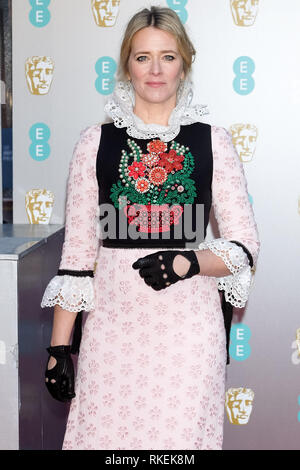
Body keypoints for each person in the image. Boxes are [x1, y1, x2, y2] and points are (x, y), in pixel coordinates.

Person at [41, 6, 260, 450]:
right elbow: (78, 257)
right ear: (126, 66)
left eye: (167, 56)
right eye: (143, 57)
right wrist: (59, 349)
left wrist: (188, 261)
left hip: (189, 330)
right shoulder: (94, 144)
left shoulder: (212, 140)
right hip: (112, 328)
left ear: (185, 64)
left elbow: (244, 244)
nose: (155, 69)